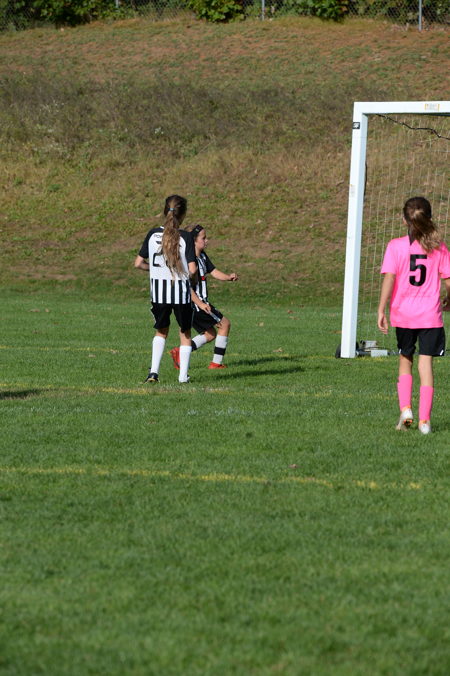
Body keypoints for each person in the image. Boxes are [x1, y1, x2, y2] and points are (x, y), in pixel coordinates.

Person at [377, 196, 450, 434]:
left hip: (404, 314)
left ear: (404, 220)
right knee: (425, 363)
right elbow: (448, 280)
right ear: (429, 218)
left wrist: (381, 309)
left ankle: (406, 409)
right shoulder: (439, 247)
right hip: (430, 316)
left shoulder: (395, 246)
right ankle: (424, 421)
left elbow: (389, 278)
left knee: (405, 359)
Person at [134, 195, 197, 384]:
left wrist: (155, 270)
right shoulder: (186, 237)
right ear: (183, 214)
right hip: (180, 294)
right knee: (185, 333)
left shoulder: (153, 234)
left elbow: (138, 263)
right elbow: (192, 269)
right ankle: (182, 377)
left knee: (161, 330)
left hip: (159, 294)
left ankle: (153, 373)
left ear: (165, 211)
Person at [169, 224, 238, 371]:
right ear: (193, 240)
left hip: (199, 303)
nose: (207, 241)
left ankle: (180, 351)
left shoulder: (202, 256)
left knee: (210, 334)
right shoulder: (188, 261)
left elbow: (214, 271)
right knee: (224, 324)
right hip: (195, 304)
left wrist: (228, 277)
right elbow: (186, 287)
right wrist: (200, 303)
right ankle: (216, 363)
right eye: (203, 238)